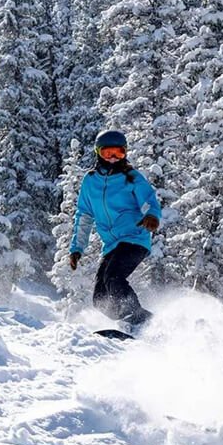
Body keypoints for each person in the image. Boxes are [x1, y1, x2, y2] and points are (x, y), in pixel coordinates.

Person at [69, 130, 162, 331]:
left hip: (135, 239)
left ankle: (139, 321)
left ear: (125, 153)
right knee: (100, 298)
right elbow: (84, 216)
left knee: (114, 277)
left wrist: (152, 215)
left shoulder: (131, 177)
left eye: (118, 153)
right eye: (107, 153)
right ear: (98, 153)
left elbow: (148, 200)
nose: (112, 159)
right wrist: (77, 248)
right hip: (111, 245)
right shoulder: (90, 181)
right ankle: (139, 321)